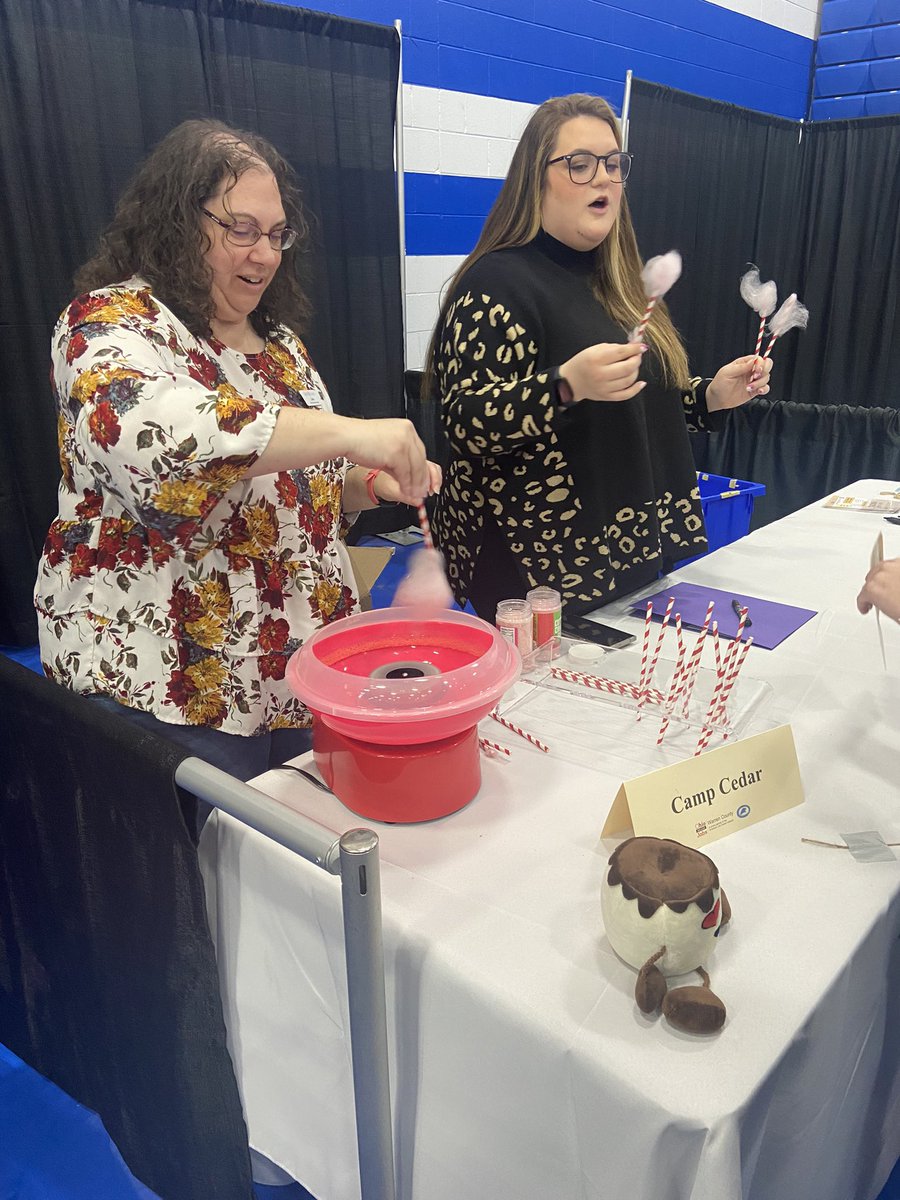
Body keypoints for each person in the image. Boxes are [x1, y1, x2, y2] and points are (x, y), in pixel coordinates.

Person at [34, 118, 439, 781]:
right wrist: (356, 431)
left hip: (296, 672)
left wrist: (368, 484)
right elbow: (160, 443)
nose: (265, 254)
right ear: (174, 221)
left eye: (277, 234)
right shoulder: (107, 326)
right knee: (197, 873)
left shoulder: (279, 346)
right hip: (171, 682)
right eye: (239, 230)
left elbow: (292, 483)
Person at [425, 93, 772, 620]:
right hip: (537, 571)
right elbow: (464, 422)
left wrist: (709, 396)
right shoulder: (495, 284)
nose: (604, 179)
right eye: (580, 165)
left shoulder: (619, 283)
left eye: (613, 164)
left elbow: (635, 401)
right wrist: (564, 385)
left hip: (627, 551)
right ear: (535, 178)